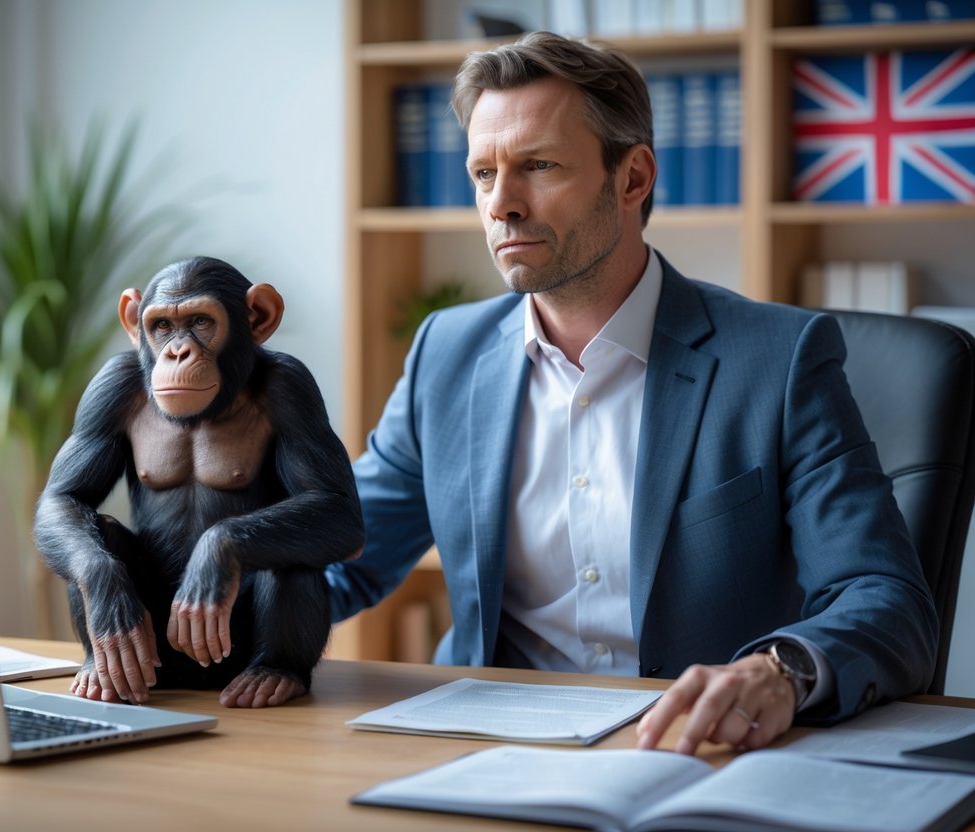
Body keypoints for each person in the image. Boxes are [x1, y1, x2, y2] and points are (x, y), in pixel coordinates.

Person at [325, 31, 938, 756]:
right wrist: (195, 590)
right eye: (483, 173)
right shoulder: (446, 355)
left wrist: (780, 671)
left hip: (697, 751)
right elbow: (337, 559)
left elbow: (885, 598)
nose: (501, 205)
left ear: (632, 178)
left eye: (538, 166)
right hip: (485, 751)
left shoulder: (777, 361)